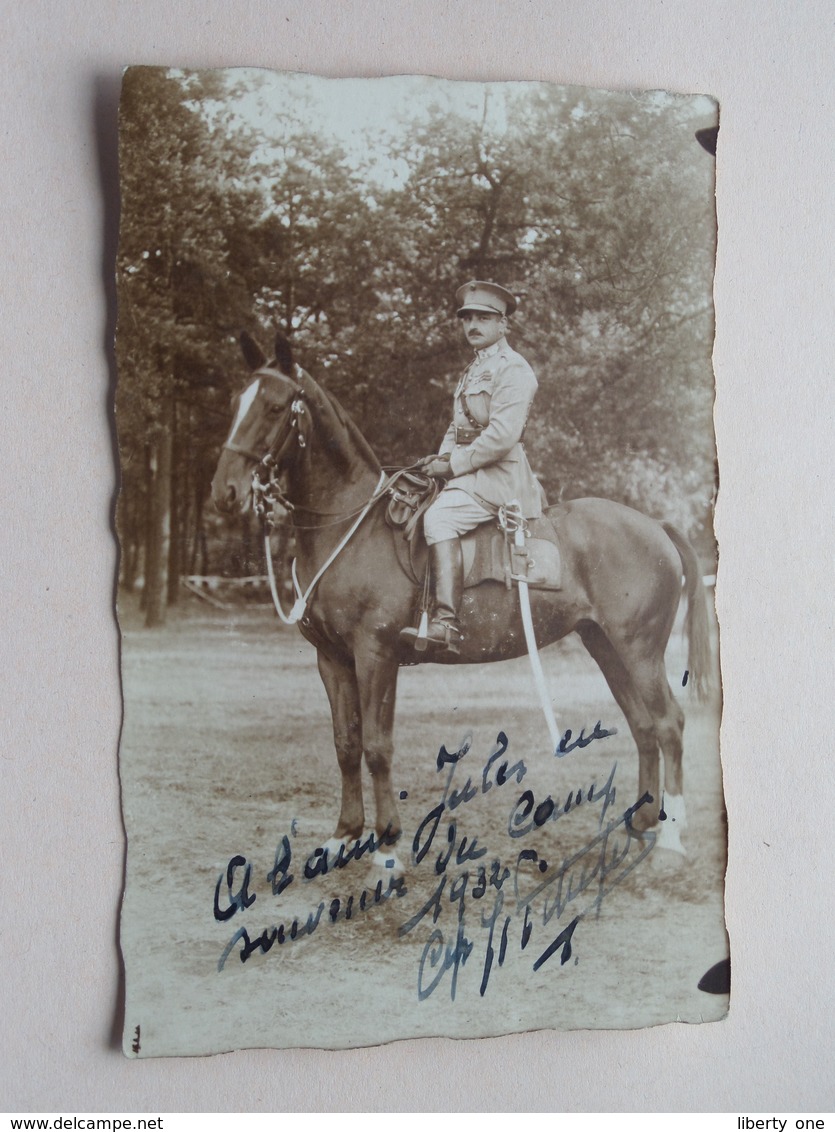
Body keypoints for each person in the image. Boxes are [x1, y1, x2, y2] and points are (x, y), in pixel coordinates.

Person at [400, 280, 545, 656]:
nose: (473, 325)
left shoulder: (514, 369)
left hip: (501, 477)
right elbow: (457, 427)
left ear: (503, 325)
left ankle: (446, 622)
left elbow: (501, 436)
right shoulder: (472, 371)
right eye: (467, 318)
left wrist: (453, 467)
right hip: (470, 472)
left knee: (439, 520)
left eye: (484, 318)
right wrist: (438, 461)